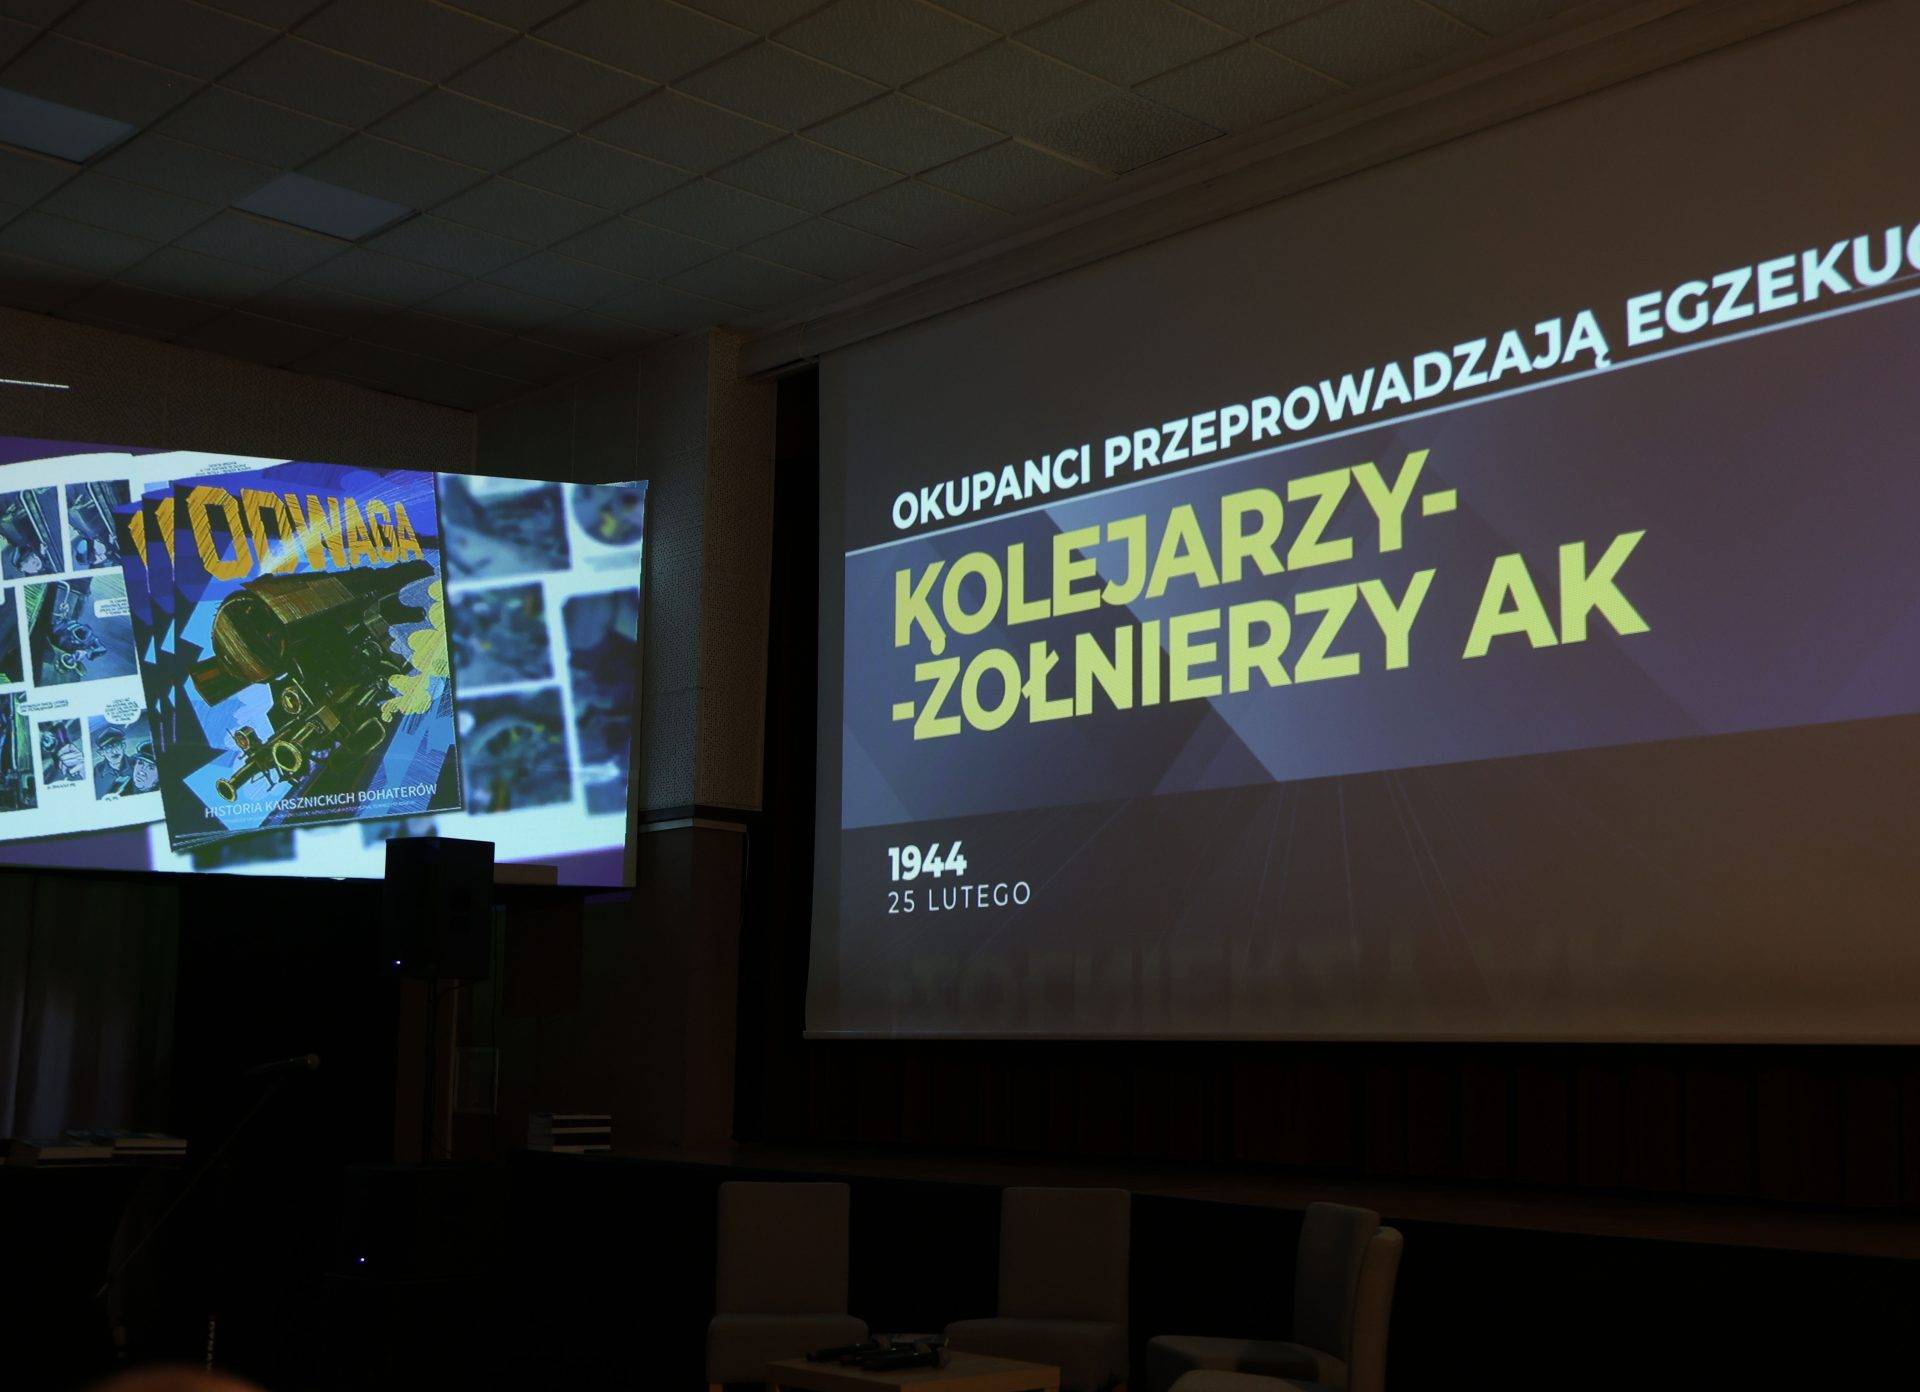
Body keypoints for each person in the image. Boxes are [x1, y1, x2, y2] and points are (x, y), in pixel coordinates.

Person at [94, 727, 158, 797]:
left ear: (123, 745)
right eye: (108, 748)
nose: (114, 751)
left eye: (117, 745)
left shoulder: (137, 764)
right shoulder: (97, 772)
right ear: (101, 752)